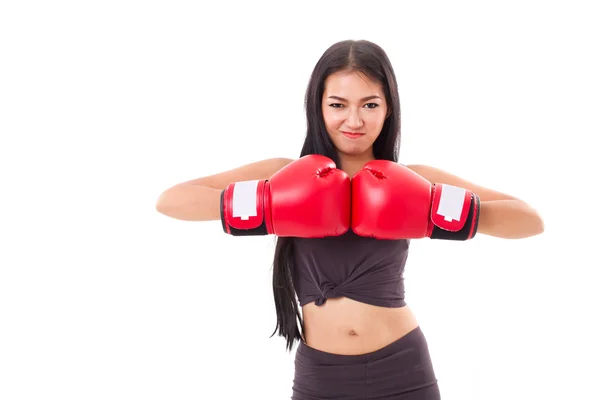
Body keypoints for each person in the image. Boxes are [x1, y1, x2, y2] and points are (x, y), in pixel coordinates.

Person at [155, 39, 544, 399]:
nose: (354, 120)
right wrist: (269, 204)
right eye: (338, 104)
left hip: (403, 370)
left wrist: (435, 210)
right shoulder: (282, 173)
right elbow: (170, 200)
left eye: (370, 104)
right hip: (320, 374)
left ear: (388, 107)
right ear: (318, 106)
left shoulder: (415, 178)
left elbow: (529, 220)